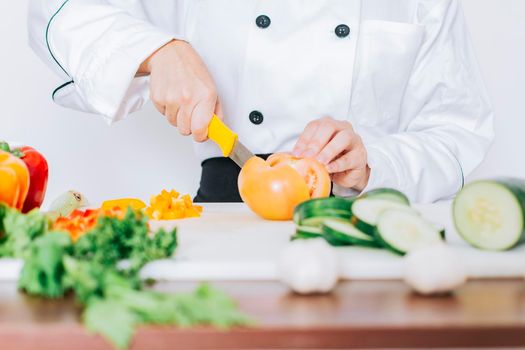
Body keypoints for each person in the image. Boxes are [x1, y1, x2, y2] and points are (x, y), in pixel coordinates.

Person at [28, 0, 494, 203]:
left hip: (358, 225)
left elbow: (455, 131)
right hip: (221, 216)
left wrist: (376, 163)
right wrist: (156, 51)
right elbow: (56, 10)